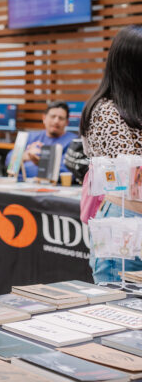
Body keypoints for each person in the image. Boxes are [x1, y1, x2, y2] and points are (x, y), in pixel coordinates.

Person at [81, 25, 142, 283]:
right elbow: (131, 178)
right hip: (124, 220)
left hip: (130, 215)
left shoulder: (133, 108)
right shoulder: (107, 111)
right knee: (120, 306)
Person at [5, 100, 78, 179]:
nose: (56, 121)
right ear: (44, 118)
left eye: (61, 118)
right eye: (53, 116)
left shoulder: (73, 142)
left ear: (66, 122)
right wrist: (27, 155)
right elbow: (9, 161)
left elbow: (66, 172)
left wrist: (41, 160)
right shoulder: (31, 136)